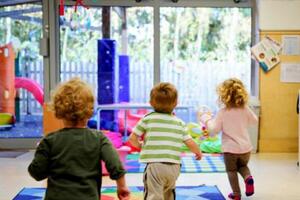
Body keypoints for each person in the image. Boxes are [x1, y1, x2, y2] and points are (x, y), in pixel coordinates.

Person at [28, 77, 130, 200]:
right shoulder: (99, 139)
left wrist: (40, 152)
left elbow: (37, 173)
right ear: (90, 109)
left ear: (58, 109)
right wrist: (121, 186)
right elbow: (115, 164)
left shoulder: (49, 141)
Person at [128, 82, 202, 200]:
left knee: (153, 194)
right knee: (169, 193)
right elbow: (189, 141)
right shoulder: (179, 122)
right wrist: (198, 152)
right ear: (176, 103)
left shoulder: (148, 119)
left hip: (155, 166)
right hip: (174, 167)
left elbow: (132, 139)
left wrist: (142, 147)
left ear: (151, 102)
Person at [198, 78, 258, 200]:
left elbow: (214, 130)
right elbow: (254, 121)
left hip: (230, 150)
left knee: (231, 171)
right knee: (243, 167)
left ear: (223, 96)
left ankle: (236, 195)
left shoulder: (223, 112)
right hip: (245, 148)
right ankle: (248, 178)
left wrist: (206, 119)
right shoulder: (245, 109)